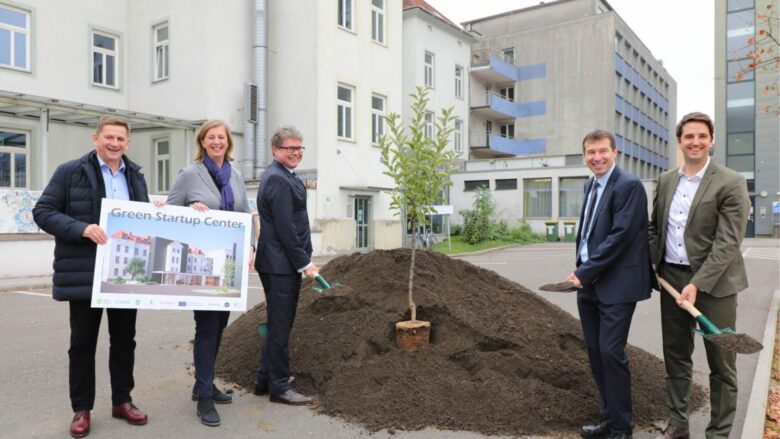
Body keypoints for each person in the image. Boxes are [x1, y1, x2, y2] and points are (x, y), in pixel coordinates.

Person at [33, 116, 149, 438]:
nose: (115, 144)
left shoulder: (136, 175)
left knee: (125, 340)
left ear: (128, 142)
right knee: (83, 344)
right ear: (95, 137)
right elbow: (43, 211)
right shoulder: (70, 172)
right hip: (86, 273)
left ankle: (122, 401)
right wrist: (81, 228)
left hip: (125, 274)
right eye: (109, 137)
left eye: (121, 139)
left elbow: (141, 220)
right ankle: (81, 408)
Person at [649, 112, 750, 439]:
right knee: (676, 358)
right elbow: (655, 228)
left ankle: (718, 433)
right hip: (671, 281)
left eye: (701, 136)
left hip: (715, 286)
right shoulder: (666, 180)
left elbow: (728, 243)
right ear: (679, 142)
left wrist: (697, 283)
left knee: (722, 363)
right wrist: (651, 261)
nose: (695, 142)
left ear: (712, 140)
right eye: (688, 136)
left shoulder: (730, 181)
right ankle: (678, 425)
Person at [564, 129, 655, 439]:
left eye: (603, 151)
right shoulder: (591, 184)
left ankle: (621, 427)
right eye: (591, 152)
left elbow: (621, 237)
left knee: (611, 352)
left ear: (616, 152)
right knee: (594, 351)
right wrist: (584, 270)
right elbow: (590, 231)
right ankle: (608, 416)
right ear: (585, 156)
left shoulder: (629, 186)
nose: (597, 157)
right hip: (589, 282)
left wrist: (585, 271)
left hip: (616, 283)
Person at [166, 120, 255, 426]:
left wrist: (251, 249)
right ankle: (204, 397)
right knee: (206, 328)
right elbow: (168, 210)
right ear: (202, 142)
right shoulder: (190, 174)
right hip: (202, 261)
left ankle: (202, 384)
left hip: (229, 264)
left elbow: (244, 214)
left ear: (228, 143)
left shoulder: (236, 177)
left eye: (222, 137)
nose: (217, 142)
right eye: (211, 137)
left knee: (219, 327)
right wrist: (190, 211)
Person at [253, 125, 318, 405]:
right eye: (290, 148)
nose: (296, 152)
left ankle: (264, 378)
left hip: (280, 263)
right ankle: (279, 387)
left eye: (299, 147)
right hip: (280, 264)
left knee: (278, 324)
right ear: (275, 150)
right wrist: (305, 264)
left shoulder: (285, 175)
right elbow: (285, 228)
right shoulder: (278, 179)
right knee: (281, 327)